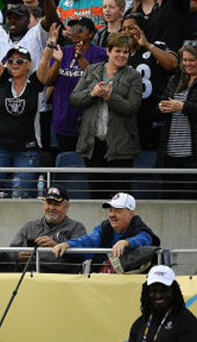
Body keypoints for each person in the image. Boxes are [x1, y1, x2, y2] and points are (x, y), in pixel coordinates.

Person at [0, 17, 51, 198]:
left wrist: (51, 44)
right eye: (11, 60)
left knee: (25, 196)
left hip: (27, 150)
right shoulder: (3, 80)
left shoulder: (35, 83)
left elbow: (45, 60)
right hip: (1, 148)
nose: (14, 63)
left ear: (28, 65)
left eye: (20, 61)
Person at [71, 31, 143, 196]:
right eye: (117, 51)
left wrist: (109, 97)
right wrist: (92, 93)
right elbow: (74, 98)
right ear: (108, 51)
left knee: (121, 197)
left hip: (122, 147)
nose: (122, 55)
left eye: (125, 52)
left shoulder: (134, 76)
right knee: (97, 195)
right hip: (92, 144)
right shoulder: (91, 70)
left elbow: (132, 108)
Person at [0, 185, 87, 272]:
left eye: (57, 204)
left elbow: (80, 257)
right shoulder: (30, 227)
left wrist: (55, 246)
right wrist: (18, 256)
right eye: (48, 203)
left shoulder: (76, 228)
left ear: (67, 207)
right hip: (29, 278)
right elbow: (10, 253)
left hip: (62, 280)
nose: (51, 207)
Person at [52, 192, 161, 268]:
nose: (112, 215)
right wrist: (67, 244)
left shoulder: (141, 229)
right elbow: (87, 241)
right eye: (110, 210)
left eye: (118, 210)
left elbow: (144, 239)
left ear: (131, 214)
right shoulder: (104, 229)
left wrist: (126, 243)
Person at [47, 17, 107, 153]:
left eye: (80, 29)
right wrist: (57, 62)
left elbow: (95, 80)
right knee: (66, 160)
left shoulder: (100, 53)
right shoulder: (62, 51)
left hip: (89, 121)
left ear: (91, 34)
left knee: (88, 161)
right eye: (72, 28)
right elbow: (49, 81)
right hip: (63, 119)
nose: (75, 31)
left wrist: (80, 58)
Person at [122, 12, 178, 153]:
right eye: (123, 29)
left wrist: (147, 44)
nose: (126, 32)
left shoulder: (155, 45)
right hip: (131, 116)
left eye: (131, 28)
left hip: (155, 113)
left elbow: (173, 64)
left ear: (142, 29)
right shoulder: (122, 53)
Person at [155, 43, 197, 196]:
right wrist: (162, 107)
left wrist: (182, 107)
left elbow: (184, 107)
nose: (187, 64)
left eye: (192, 60)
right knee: (168, 197)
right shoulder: (175, 79)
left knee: (190, 200)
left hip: (192, 154)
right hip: (170, 150)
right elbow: (163, 102)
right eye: (184, 60)